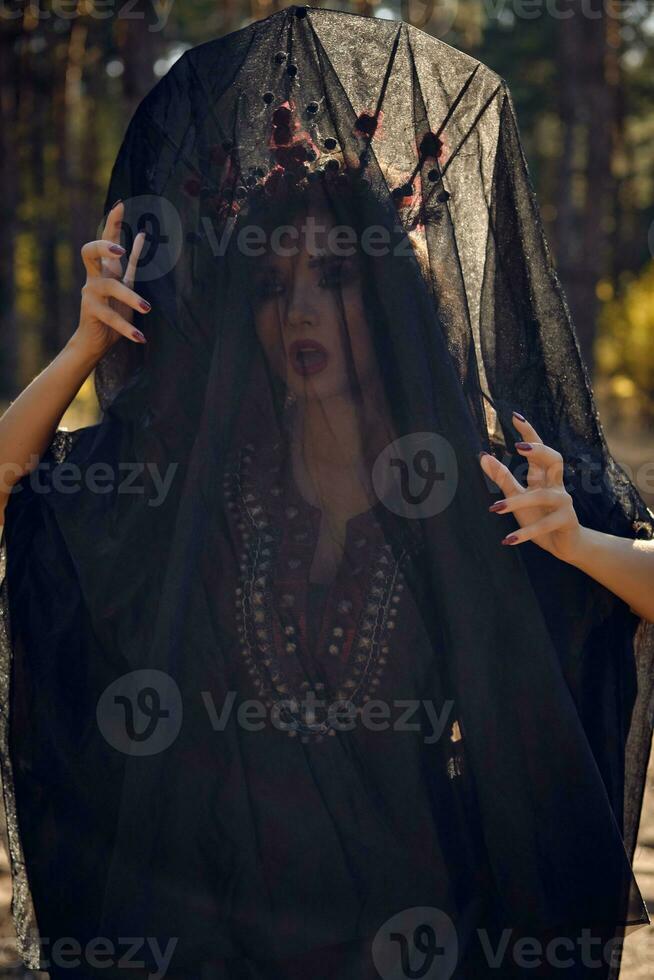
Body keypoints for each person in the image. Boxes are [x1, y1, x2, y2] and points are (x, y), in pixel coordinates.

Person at [1, 7, 653, 978]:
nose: (299, 307)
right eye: (270, 284)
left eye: (337, 276)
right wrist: (82, 347)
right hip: (221, 935)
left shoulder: (473, 479)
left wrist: (577, 544)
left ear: (392, 295)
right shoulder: (208, 483)